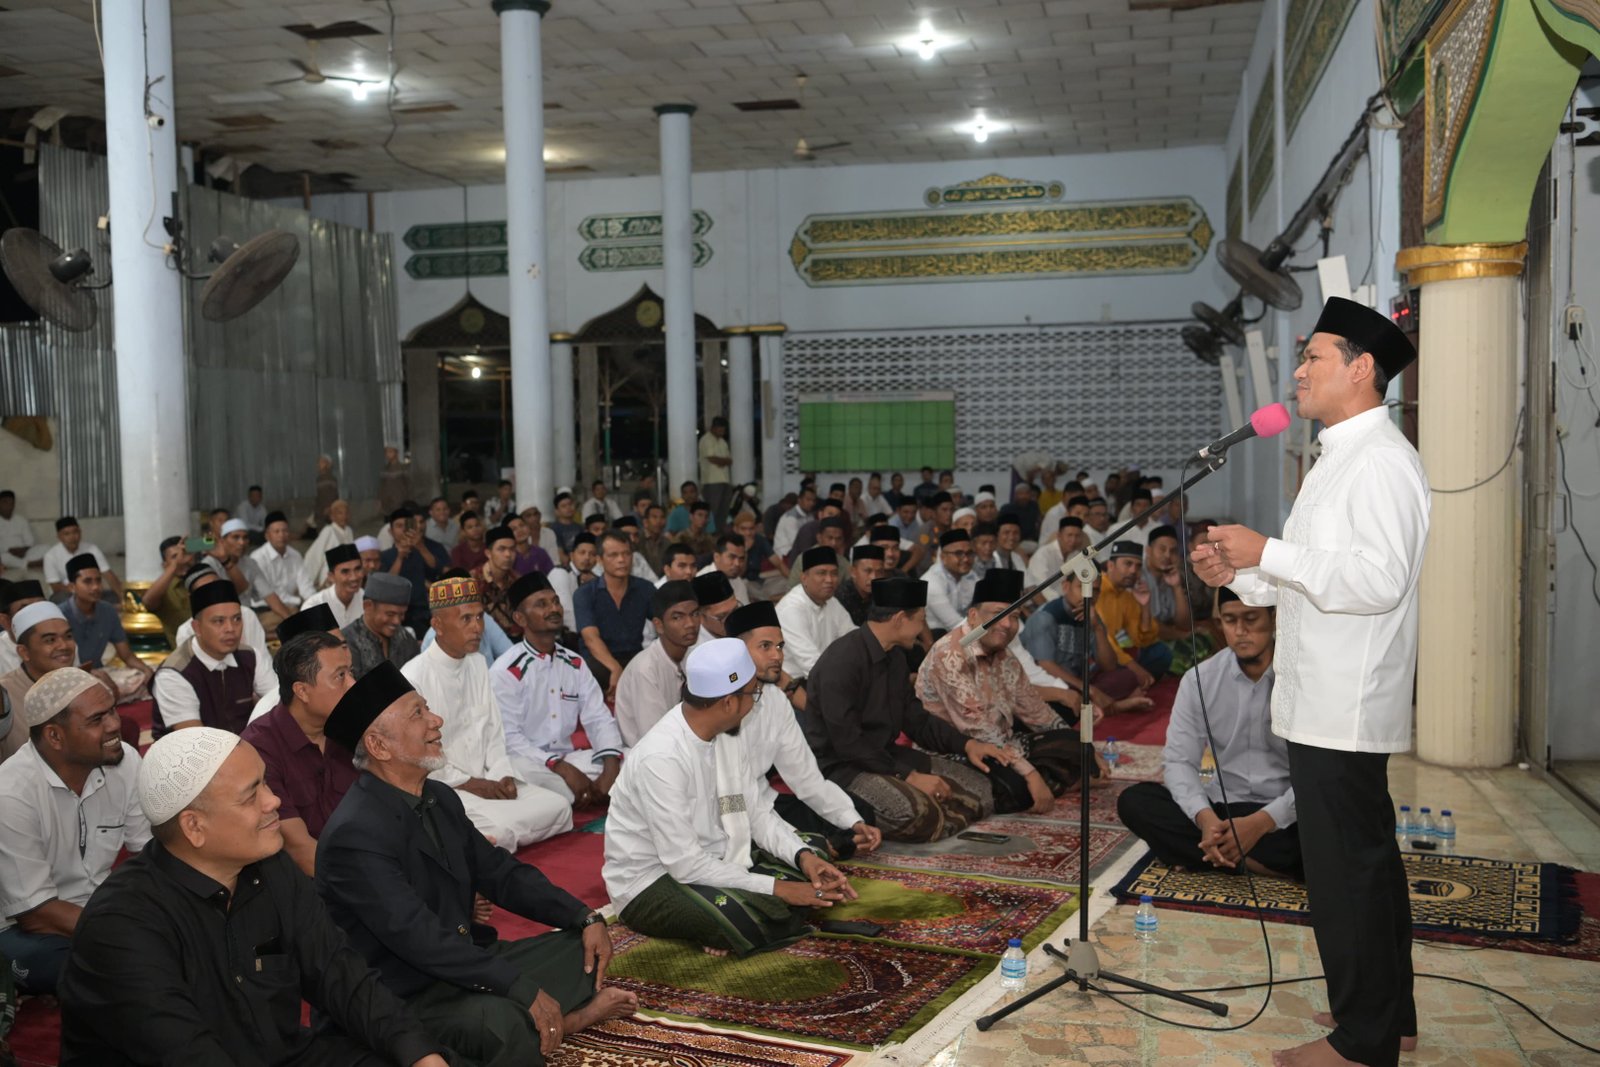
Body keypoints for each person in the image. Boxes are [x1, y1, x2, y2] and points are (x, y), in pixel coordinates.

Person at [1192, 297, 1427, 1067]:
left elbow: (1379, 579)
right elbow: (1311, 576)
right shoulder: (1338, 457)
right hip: (1323, 695)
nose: (1298, 371)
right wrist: (1240, 573)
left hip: (1343, 699)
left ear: (1361, 368)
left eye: (1313, 356)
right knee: (1366, 863)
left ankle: (1362, 1044)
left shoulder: (1381, 460)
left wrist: (1268, 551)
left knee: (1346, 873)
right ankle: (1389, 1017)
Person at [57, 726, 449, 1067]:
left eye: (266, 782)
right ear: (194, 827)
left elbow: (339, 973)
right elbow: (185, 1053)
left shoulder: (272, 868)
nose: (273, 801)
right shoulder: (121, 924)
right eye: (251, 795)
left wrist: (419, 1053)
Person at [315, 665, 633, 1065]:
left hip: (460, 963)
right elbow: (419, 938)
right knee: (504, 1023)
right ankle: (564, 1022)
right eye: (418, 714)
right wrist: (518, 988)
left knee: (580, 951)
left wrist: (582, 915)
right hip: (404, 992)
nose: (436, 720)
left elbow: (500, 873)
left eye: (427, 708)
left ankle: (542, 1022)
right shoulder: (355, 834)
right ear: (379, 746)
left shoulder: (440, 797)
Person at [603, 638, 857, 957]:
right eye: (753, 694)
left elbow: (756, 813)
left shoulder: (726, 734)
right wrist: (779, 888)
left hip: (717, 857)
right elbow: (685, 864)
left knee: (814, 849)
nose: (756, 702)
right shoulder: (662, 758)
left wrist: (803, 857)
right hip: (653, 880)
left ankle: (731, 915)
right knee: (748, 919)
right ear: (727, 703)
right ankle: (728, 919)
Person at [800, 578, 1008, 842]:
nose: (922, 629)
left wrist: (967, 745)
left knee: (981, 789)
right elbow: (848, 743)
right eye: (920, 620)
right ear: (899, 619)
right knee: (918, 813)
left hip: (886, 756)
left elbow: (917, 720)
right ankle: (936, 816)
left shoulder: (895, 657)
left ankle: (943, 818)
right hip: (845, 767)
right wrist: (908, 776)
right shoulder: (841, 661)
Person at [1117, 587, 1300, 878]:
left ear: (1274, 617)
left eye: (1251, 619)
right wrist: (1205, 820)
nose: (1240, 631)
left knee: (1342, 824)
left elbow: (1318, 776)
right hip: (1224, 808)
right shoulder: (1200, 680)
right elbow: (1178, 761)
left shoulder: (1301, 678)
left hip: (1286, 814)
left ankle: (1211, 855)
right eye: (1230, 620)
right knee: (1135, 801)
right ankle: (1248, 859)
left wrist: (1262, 822)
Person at [0, 668, 148, 995]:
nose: (114, 725)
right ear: (55, 736)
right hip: (22, 927)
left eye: (112, 711)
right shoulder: (11, 794)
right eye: (97, 720)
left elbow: (149, 857)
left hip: (101, 908)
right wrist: (125, 933)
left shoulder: (124, 762)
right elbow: (35, 914)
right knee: (68, 965)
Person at [402, 576, 571, 849]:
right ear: (438, 625)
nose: (477, 627)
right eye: (466, 619)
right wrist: (472, 784)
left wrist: (502, 775)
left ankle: (482, 842)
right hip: (449, 788)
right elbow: (419, 757)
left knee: (560, 806)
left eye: (480, 617)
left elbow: (494, 732)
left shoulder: (478, 663)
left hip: (489, 779)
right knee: (499, 829)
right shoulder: (413, 676)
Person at [918, 570, 1092, 815]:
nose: (1008, 624)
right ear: (973, 616)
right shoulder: (951, 655)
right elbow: (978, 729)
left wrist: (1088, 753)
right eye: (998, 614)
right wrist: (1030, 774)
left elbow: (1036, 710)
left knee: (1076, 745)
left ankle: (1049, 781)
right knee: (1017, 789)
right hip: (960, 751)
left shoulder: (1004, 655)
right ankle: (1046, 782)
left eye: (1015, 616)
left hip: (1004, 743)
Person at [726, 601, 880, 856]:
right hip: (730, 809)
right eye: (765, 646)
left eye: (779, 646)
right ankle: (814, 848)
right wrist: (791, 839)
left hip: (766, 801)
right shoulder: (722, 705)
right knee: (799, 843)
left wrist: (853, 822)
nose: (777, 656)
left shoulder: (776, 699)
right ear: (737, 651)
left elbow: (805, 777)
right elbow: (731, 799)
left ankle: (821, 845)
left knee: (859, 814)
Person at [490, 573, 625, 809]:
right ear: (520, 618)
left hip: (570, 759)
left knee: (634, 760)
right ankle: (585, 794)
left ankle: (585, 793)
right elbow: (509, 739)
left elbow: (598, 717)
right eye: (541, 604)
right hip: (531, 764)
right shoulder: (506, 670)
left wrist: (611, 769)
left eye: (555, 602)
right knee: (521, 773)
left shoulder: (574, 663)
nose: (553, 609)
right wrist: (559, 767)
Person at [239, 631, 357, 877]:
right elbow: (300, 850)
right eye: (340, 676)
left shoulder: (351, 729)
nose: (352, 684)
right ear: (302, 691)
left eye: (350, 672)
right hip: (308, 880)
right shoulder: (260, 748)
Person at [152, 581, 277, 737]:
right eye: (219, 621)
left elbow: (279, 702)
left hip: (244, 745)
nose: (230, 628)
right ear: (197, 628)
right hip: (192, 750)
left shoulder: (250, 656)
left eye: (237, 619)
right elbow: (195, 739)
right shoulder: (174, 673)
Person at [573, 530, 654, 701]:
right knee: (589, 670)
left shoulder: (645, 589)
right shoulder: (585, 594)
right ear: (600, 560)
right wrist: (615, 668)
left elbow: (664, 623)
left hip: (633, 657)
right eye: (613, 555)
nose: (621, 560)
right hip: (598, 660)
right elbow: (591, 639)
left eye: (626, 554)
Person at [615, 581, 698, 746]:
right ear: (659, 625)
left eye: (695, 614)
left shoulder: (694, 657)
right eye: (677, 617)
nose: (690, 623)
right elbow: (655, 736)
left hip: (685, 745)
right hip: (649, 752)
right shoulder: (645, 669)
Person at [60, 554, 153, 700]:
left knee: (144, 677)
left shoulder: (108, 611)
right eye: (88, 582)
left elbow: (126, 655)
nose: (96, 587)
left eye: (98, 580)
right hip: (70, 679)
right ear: (72, 587)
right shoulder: (59, 616)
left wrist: (147, 671)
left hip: (99, 673)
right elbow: (57, 666)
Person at [1097, 540, 1171, 686]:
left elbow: (1142, 640)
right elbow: (1105, 641)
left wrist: (1145, 606)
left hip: (1122, 653)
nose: (1133, 571)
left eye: (1138, 566)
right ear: (1111, 566)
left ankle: (1133, 683)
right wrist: (1135, 668)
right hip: (1101, 655)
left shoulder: (1127, 595)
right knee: (1121, 674)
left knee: (1161, 652)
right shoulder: (1097, 591)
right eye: (1128, 564)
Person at [774, 546, 854, 680]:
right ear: (804, 578)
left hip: (825, 673)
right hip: (794, 682)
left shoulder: (832, 602)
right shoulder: (791, 609)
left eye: (834, 573)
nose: (829, 580)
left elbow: (852, 637)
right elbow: (811, 663)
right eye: (822, 573)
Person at [174, 564, 271, 665]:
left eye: (217, 585)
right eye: (219, 621)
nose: (230, 628)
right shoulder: (185, 632)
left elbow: (262, 659)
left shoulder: (246, 615)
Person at [380, 507, 446, 636]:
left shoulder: (420, 551)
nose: (403, 529)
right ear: (391, 531)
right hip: (397, 614)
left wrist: (420, 546)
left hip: (423, 612)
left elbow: (436, 568)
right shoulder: (385, 556)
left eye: (406, 525)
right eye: (399, 526)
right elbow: (387, 584)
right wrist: (400, 557)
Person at [342, 572, 421, 679]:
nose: (397, 621)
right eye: (390, 614)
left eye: (402, 614)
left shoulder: (407, 640)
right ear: (368, 606)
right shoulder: (346, 643)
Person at [245, 511, 306, 631]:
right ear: (267, 535)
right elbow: (271, 594)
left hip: (291, 607)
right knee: (296, 620)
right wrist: (298, 601)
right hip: (265, 610)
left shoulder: (295, 555)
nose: (281, 535)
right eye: (276, 531)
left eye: (285, 531)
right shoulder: (257, 558)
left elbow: (305, 584)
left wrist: (312, 602)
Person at [42, 517, 122, 600]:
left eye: (75, 532)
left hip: (92, 591)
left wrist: (122, 597)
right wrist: (81, 592)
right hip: (67, 594)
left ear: (80, 532)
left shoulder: (92, 549)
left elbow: (108, 575)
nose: (72, 537)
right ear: (59, 536)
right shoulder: (50, 556)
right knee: (61, 598)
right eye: (67, 534)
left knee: (113, 596)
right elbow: (55, 586)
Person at [922, 529, 978, 633]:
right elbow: (955, 624)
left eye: (969, 553)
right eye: (959, 553)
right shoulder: (931, 582)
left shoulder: (971, 576)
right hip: (937, 635)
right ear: (943, 557)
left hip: (962, 631)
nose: (966, 559)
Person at [142, 537, 194, 646]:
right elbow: (147, 601)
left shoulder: (203, 580)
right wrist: (176, 564)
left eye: (185, 553)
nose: (182, 559)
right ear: (165, 565)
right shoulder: (165, 590)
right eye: (175, 556)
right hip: (184, 652)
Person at [301, 543, 366, 629]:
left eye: (357, 569)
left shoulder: (368, 600)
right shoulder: (314, 605)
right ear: (331, 577)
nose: (354, 577)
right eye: (345, 571)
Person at [548, 531, 598, 632]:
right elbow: (567, 612)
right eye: (582, 553)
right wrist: (585, 635)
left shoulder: (592, 578)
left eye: (592, 554)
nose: (587, 558)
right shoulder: (561, 573)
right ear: (571, 555)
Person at [835, 544, 886, 625]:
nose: (874, 577)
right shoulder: (841, 597)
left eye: (879, 572)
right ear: (853, 572)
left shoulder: (883, 593)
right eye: (868, 571)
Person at [696, 532, 750, 606]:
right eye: (732, 557)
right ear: (716, 557)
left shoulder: (738, 581)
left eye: (741, 558)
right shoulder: (701, 582)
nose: (737, 563)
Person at [0, 489, 45, 567]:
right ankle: (28, 564)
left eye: (11, 503)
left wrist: (22, 550)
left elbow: (30, 542)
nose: (8, 506)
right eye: (5, 502)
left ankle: (23, 564)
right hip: (6, 554)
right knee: (3, 558)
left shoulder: (21, 520)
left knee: (45, 548)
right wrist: (10, 551)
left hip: (24, 553)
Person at [772, 485, 816, 561]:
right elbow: (797, 543)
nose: (811, 503)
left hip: (801, 550)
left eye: (813, 501)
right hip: (785, 554)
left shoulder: (810, 515)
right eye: (808, 500)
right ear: (799, 500)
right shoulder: (790, 518)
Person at [635, 504, 673, 578]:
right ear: (645, 522)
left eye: (662, 517)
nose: (659, 521)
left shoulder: (667, 543)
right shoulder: (637, 539)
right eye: (654, 517)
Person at [312, 453, 340, 535]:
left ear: (328, 465)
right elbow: (319, 495)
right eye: (319, 462)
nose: (319, 464)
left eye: (322, 462)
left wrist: (329, 507)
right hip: (320, 509)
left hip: (330, 508)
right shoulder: (318, 479)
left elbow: (333, 494)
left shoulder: (331, 478)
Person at [378, 445, 410, 517]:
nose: (387, 454)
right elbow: (381, 486)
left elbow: (409, 485)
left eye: (390, 452)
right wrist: (379, 500)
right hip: (387, 502)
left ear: (396, 453)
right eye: (386, 452)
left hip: (400, 500)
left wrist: (409, 500)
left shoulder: (403, 468)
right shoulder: (384, 469)